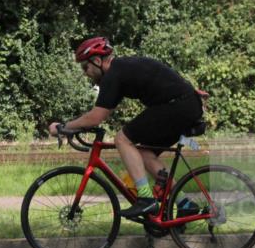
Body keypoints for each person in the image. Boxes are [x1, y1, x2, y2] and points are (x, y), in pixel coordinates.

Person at [49, 37, 204, 219]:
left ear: (97, 61)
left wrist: (63, 127)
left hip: (176, 106)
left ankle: (146, 200)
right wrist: (77, 126)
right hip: (184, 105)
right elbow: (101, 112)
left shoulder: (114, 74)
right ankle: (185, 204)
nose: (85, 73)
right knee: (145, 152)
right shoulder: (121, 70)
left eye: (85, 67)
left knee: (122, 139)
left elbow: (96, 118)